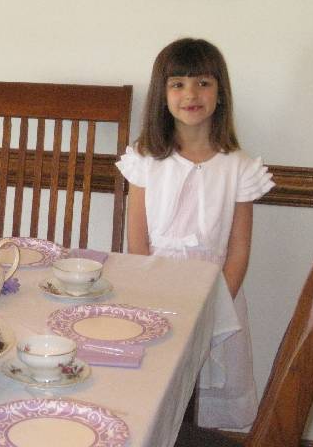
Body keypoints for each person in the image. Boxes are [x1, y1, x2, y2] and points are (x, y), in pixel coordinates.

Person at [116, 38, 274, 429]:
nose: (191, 94)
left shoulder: (238, 167)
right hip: (154, 290)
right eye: (178, 84)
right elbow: (137, 242)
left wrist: (213, 307)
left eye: (203, 82)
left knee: (201, 395)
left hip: (215, 296)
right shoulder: (146, 160)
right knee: (154, 385)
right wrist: (149, 296)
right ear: (162, 95)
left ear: (220, 93)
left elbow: (239, 251)